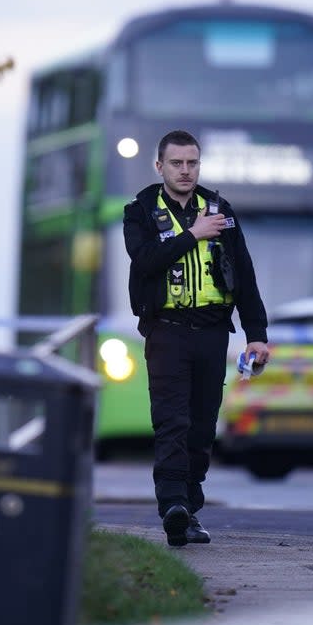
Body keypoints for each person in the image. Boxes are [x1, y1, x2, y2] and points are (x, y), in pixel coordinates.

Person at [123, 130, 269, 546]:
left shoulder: (221, 211)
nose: (185, 171)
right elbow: (145, 259)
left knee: (202, 428)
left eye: (192, 163)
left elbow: (244, 275)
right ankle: (172, 505)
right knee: (172, 421)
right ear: (160, 166)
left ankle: (189, 509)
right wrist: (191, 234)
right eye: (176, 163)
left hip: (211, 334)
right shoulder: (140, 211)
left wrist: (256, 335)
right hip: (166, 332)